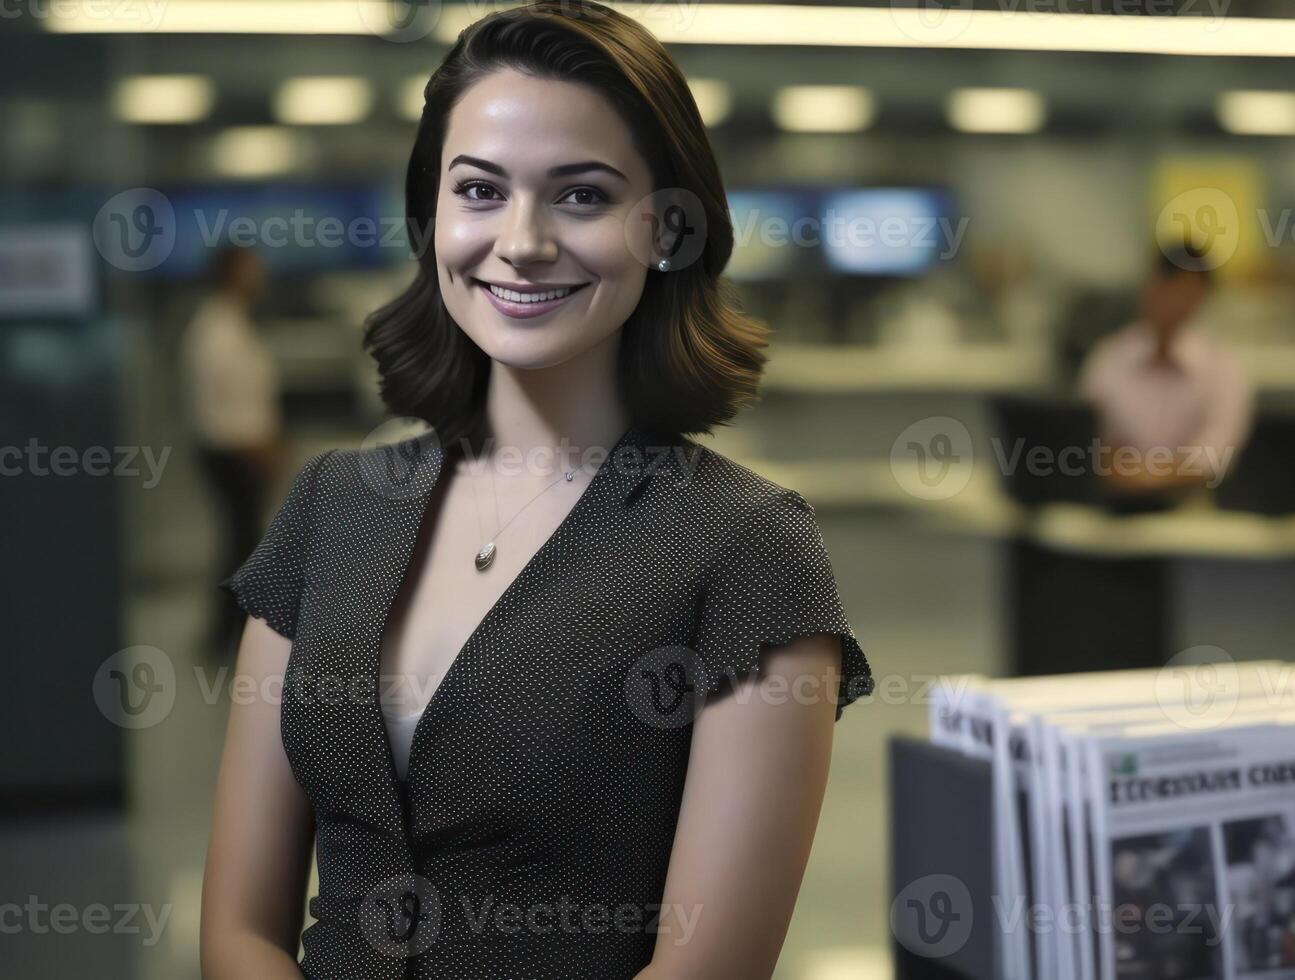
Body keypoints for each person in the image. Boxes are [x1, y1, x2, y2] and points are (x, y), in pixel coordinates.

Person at [199, 4, 875, 977]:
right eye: (478, 189)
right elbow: (236, 932)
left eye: (581, 196)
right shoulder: (332, 506)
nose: (520, 241)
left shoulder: (744, 551)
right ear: (431, 217)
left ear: (669, 229)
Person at [1076, 242, 1254, 500]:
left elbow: (1214, 455)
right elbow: (1087, 438)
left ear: (1202, 295)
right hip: (1112, 503)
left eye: (1183, 287)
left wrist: (1147, 477)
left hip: (1191, 506)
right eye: (1165, 281)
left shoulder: (1223, 368)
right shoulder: (1109, 357)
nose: (1170, 296)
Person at [181, 244, 286, 657]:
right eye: (251, 270)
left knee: (242, 543)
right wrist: (260, 450)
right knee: (242, 545)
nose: (259, 277)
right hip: (232, 453)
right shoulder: (216, 331)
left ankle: (229, 635)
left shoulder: (233, 325)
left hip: (243, 450)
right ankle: (230, 637)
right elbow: (221, 411)